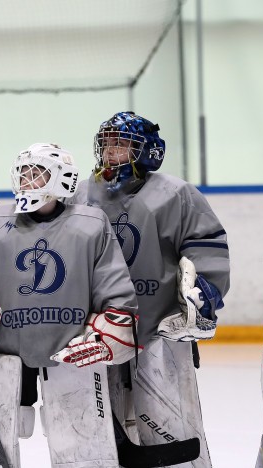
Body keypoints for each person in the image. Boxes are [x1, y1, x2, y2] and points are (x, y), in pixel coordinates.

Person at [0, 143, 139, 467]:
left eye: (37, 174)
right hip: (3, 355)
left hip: (70, 354)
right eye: (23, 173)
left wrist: (110, 330)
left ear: (60, 180)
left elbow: (114, 288)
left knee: (81, 451)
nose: (27, 180)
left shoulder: (91, 224)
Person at [67, 111, 230, 466]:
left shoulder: (176, 193)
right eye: (107, 143)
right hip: (99, 332)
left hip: (159, 330)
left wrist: (202, 295)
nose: (111, 151)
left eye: (122, 143)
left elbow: (207, 247)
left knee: (170, 424)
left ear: (147, 151)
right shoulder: (80, 194)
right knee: (104, 429)